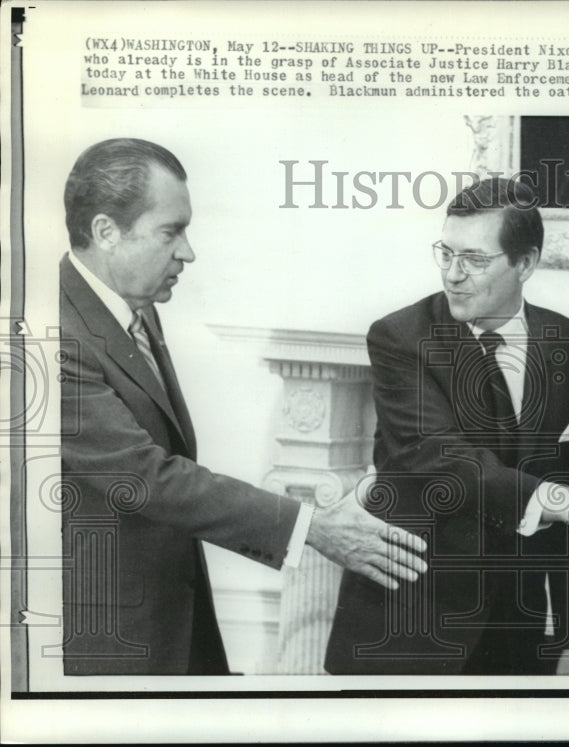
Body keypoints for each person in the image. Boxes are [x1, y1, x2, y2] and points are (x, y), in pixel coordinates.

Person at [59, 138, 427, 675]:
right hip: (111, 645)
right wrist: (311, 527)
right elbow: (147, 478)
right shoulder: (52, 334)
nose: (187, 252)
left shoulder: (133, 308)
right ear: (105, 232)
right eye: (171, 231)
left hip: (171, 625)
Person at [324, 177, 569, 675]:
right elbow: (441, 457)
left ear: (526, 263)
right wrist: (564, 503)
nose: (453, 275)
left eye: (474, 259)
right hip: (408, 630)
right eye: (446, 254)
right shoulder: (399, 338)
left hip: (517, 638)